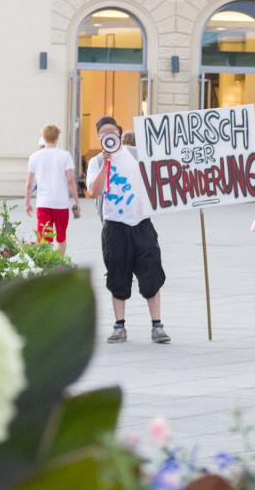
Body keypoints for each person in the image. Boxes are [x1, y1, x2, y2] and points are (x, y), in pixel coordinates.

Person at [86, 116, 170, 344]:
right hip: (115, 226)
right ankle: (119, 326)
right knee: (117, 276)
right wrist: (106, 163)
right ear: (98, 136)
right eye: (103, 133)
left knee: (151, 274)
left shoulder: (134, 154)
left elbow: (160, 170)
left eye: (111, 132)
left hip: (141, 223)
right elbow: (93, 191)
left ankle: (157, 325)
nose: (107, 136)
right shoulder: (95, 162)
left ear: (119, 134)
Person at [25, 124, 78, 256]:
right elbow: (71, 181)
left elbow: (29, 184)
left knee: (44, 239)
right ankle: (59, 266)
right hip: (61, 203)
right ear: (57, 138)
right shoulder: (65, 156)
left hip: (43, 203)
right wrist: (77, 201)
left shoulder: (34, 157)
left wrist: (27, 203)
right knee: (61, 238)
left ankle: (46, 268)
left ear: (43, 137)